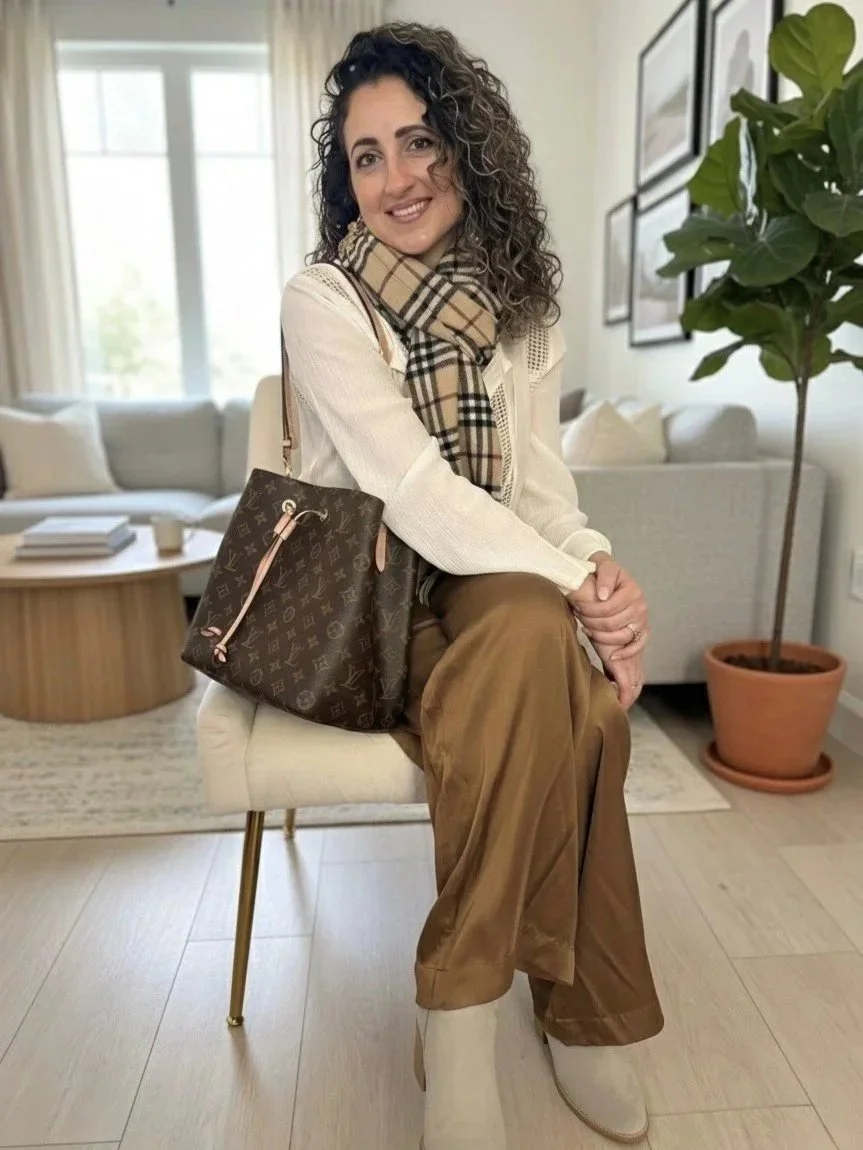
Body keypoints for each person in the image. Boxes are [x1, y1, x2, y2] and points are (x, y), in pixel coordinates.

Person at [281, 22, 664, 1149]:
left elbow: (536, 488)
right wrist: (570, 590)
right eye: (364, 156)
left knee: (538, 641)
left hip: (488, 589)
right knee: (567, 682)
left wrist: (594, 569)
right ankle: (573, 1015)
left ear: (467, 148)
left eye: (416, 142)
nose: (394, 177)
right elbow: (406, 489)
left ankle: (459, 1018)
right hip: (371, 593)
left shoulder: (518, 305)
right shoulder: (324, 299)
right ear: (344, 182)